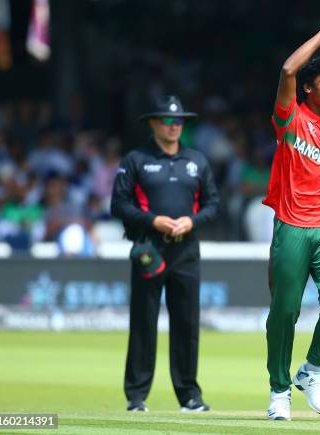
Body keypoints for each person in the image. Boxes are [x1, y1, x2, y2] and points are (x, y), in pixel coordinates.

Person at [262, 17, 320, 420]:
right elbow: (287, 68)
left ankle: (313, 369)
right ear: (308, 87)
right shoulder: (290, 119)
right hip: (292, 226)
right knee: (284, 312)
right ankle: (278, 390)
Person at [110, 95, 219, 412]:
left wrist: (192, 220)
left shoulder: (196, 161)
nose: (174, 126)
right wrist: (153, 220)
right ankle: (136, 396)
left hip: (186, 251)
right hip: (150, 250)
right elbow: (118, 205)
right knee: (143, 321)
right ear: (154, 123)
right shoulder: (136, 160)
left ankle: (189, 396)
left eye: (179, 121)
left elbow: (213, 204)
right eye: (168, 121)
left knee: (187, 324)